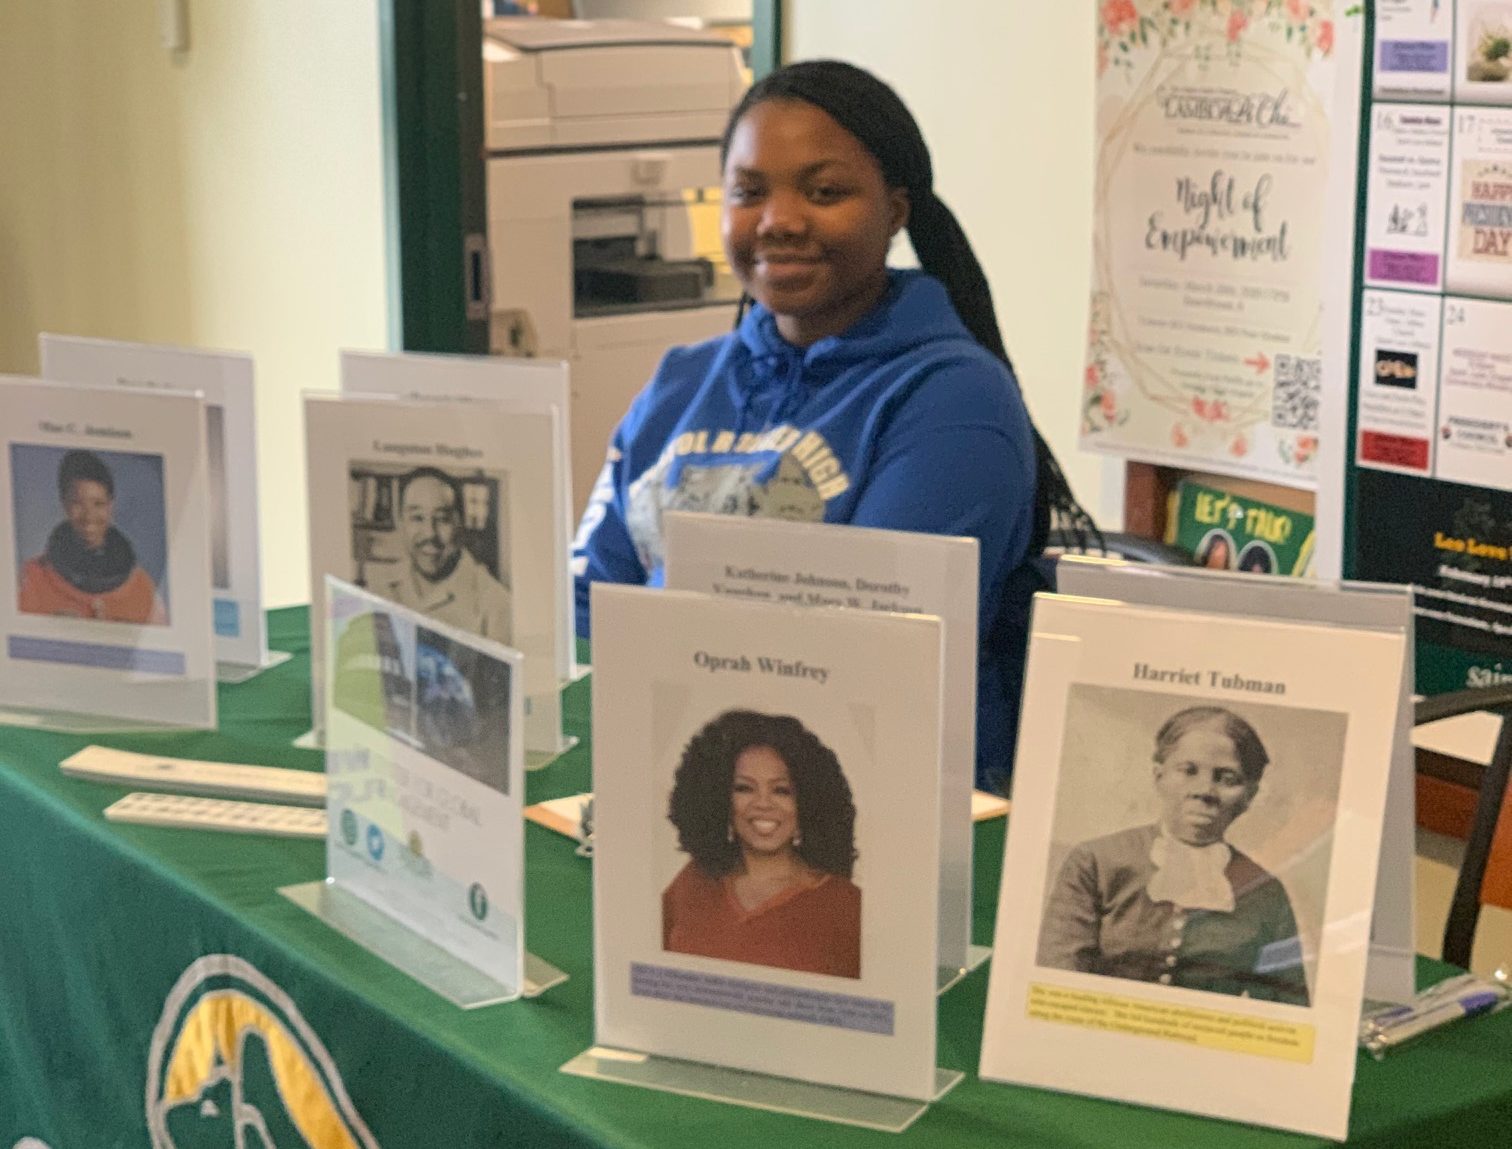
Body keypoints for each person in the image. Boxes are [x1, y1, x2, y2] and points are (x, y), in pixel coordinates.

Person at [572, 60, 1096, 792]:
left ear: (897, 209)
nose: (778, 220)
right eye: (748, 192)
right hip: (664, 770)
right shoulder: (680, 380)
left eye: (824, 192)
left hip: (864, 807)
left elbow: (864, 664)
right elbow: (591, 606)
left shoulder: (957, 401)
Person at [1037, 706, 1309, 1005]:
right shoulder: (1096, 862)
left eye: (1227, 778)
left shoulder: (1265, 892)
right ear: (1159, 776)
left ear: (1249, 795)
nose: (1204, 790)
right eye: (1188, 771)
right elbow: (1058, 980)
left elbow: (1286, 1009)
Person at [663, 710, 861, 979]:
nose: (763, 803)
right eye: (744, 788)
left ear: (809, 803)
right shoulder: (693, 882)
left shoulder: (845, 907)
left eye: (781, 790)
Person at [17, 449, 167, 625]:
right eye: (78, 503)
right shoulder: (32, 579)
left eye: (98, 504)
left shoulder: (142, 590)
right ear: (64, 504)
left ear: (111, 506)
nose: (89, 516)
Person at [380, 467, 512, 643]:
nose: (429, 533)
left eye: (442, 519)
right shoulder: (379, 587)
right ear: (400, 522)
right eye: (417, 518)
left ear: (460, 524)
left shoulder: (495, 603)